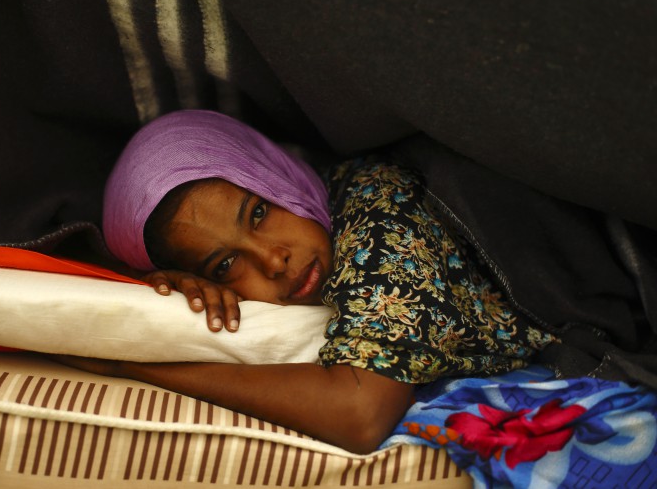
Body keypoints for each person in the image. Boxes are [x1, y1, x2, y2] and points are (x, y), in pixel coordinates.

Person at [59, 109, 655, 454]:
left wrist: (133, 368)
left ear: (274, 172)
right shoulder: (331, 212)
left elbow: (359, 412)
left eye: (259, 213)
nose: (274, 261)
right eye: (224, 266)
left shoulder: (379, 219)